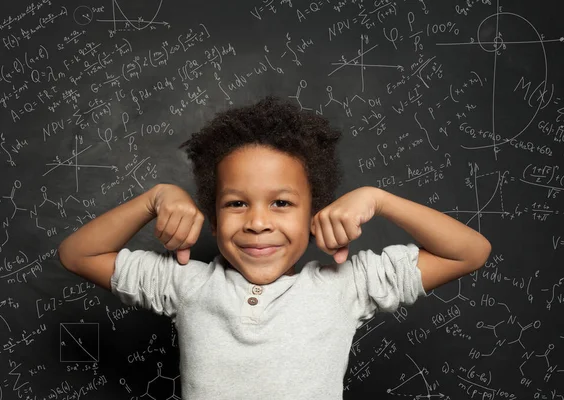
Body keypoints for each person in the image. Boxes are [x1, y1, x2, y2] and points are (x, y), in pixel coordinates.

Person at [58, 96, 491, 399]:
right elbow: (77, 255)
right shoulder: (184, 284)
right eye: (236, 203)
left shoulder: (346, 286)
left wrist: (380, 199)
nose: (259, 222)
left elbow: (469, 251)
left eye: (281, 203)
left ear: (313, 214)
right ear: (213, 215)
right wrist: (156, 198)